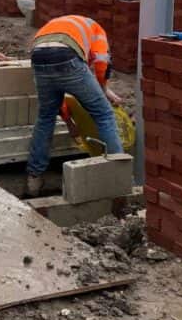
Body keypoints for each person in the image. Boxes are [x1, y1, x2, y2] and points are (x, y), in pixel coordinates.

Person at [24, 14, 123, 197]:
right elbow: (101, 62)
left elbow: (57, 90)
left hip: (38, 56)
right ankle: (118, 172)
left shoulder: (60, 24)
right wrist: (104, 89)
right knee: (104, 114)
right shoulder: (97, 29)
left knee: (46, 117)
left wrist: (69, 121)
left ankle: (34, 178)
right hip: (67, 56)